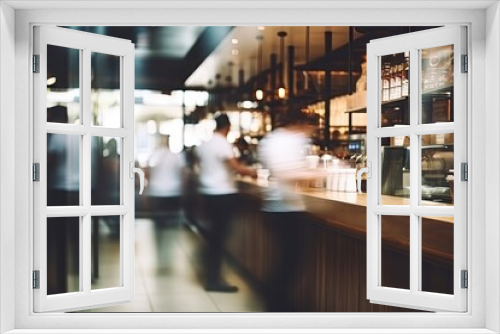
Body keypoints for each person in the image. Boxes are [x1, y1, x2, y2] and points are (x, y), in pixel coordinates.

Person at [257, 108, 321, 311]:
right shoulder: (291, 139)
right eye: (312, 128)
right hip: (286, 209)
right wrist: (316, 173)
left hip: (275, 206)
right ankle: (276, 304)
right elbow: (285, 172)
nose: (311, 133)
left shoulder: (272, 138)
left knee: (287, 260)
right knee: (290, 262)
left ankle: (275, 300)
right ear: (301, 123)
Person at [195, 113, 257, 292]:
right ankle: (213, 279)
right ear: (228, 127)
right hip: (222, 194)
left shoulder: (205, 144)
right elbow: (235, 166)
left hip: (207, 192)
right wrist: (252, 172)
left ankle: (211, 274)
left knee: (213, 235)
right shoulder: (222, 143)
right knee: (219, 237)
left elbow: (200, 164)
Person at [147, 135, 186, 225]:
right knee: (171, 220)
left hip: (156, 191)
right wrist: (183, 189)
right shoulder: (176, 156)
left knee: (159, 221)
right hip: (173, 191)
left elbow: (147, 173)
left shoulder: (154, 155)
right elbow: (183, 174)